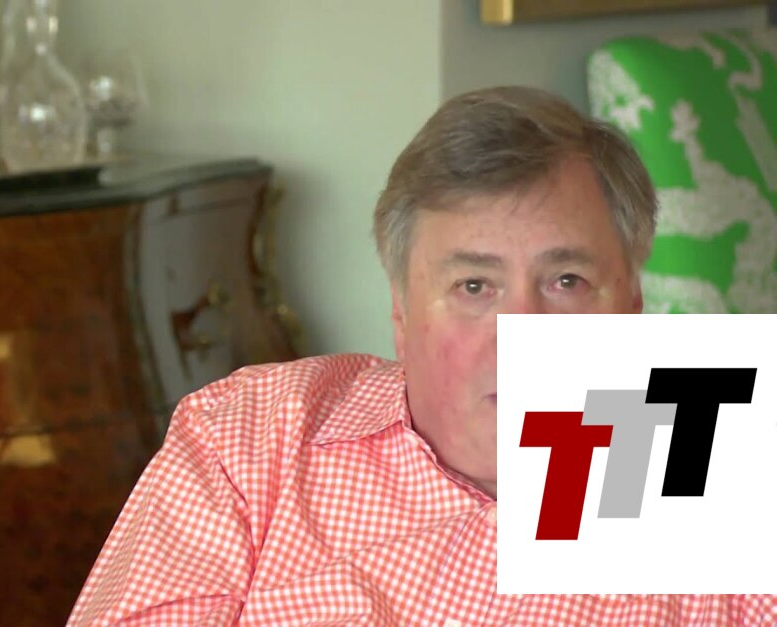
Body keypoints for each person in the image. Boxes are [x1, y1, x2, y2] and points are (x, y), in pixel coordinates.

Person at [66, 86, 777, 625]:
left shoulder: (732, 476)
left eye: (566, 280)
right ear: (401, 314)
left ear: (631, 306)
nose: (522, 332)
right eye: (474, 286)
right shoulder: (250, 438)